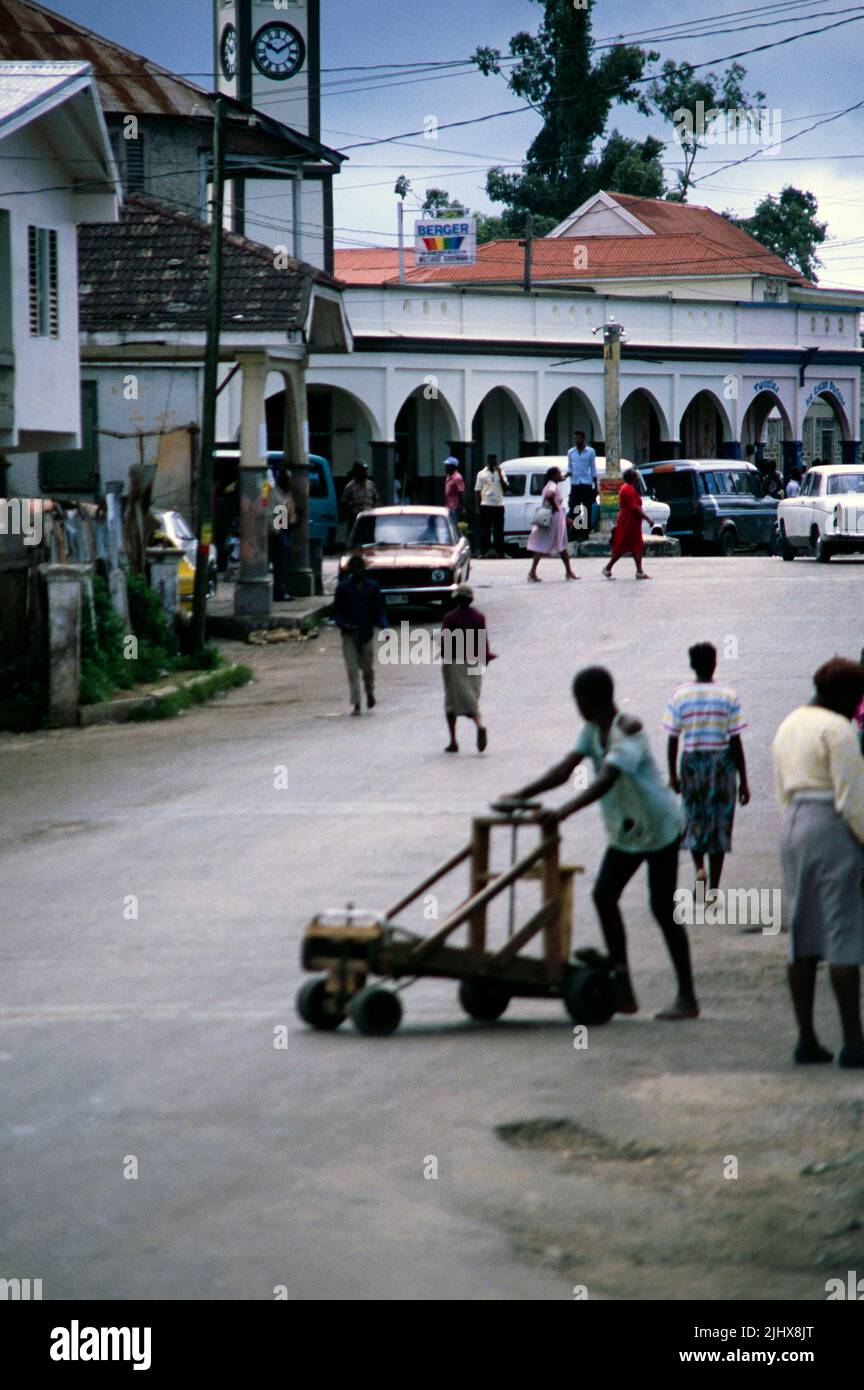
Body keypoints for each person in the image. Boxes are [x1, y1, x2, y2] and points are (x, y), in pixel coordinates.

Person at [503, 666, 698, 1021]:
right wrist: (520, 795)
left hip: (659, 827)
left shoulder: (629, 732)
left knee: (662, 908)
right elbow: (565, 769)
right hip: (627, 831)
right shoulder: (592, 729)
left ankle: (687, 996)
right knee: (604, 895)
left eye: (579, 700)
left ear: (594, 700)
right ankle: (622, 985)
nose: (577, 707)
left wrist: (563, 811)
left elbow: (607, 779)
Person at [772, 658, 864, 1067]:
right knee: (843, 931)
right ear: (844, 694)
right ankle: (853, 1042)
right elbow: (852, 801)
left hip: (792, 824)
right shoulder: (839, 729)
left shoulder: (789, 724)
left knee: (803, 933)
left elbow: (781, 790)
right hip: (830, 826)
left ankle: (806, 1039)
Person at [664, 642, 749, 895]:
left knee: (693, 816)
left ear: (692, 665)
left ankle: (698, 867)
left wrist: (672, 774)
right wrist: (743, 780)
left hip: (691, 762)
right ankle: (713, 888)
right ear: (715, 664)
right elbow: (735, 740)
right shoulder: (728, 695)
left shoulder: (679, 695)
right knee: (720, 819)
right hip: (722, 763)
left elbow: (672, 738)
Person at [333, 554, 389, 716]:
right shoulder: (342, 588)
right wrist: (343, 625)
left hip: (366, 633)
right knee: (352, 670)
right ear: (351, 570)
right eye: (355, 568)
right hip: (349, 634)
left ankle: (369, 691)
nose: (358, 571)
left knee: (368, 669)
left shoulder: (372, 587)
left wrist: (384, 628)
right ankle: (356, 703)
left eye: (360, 568)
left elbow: (379, 611)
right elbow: (336, 613)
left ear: (364, 569)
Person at [440, 584, 494, 753]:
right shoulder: (479, 617)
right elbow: (483, 640)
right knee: (471, 697)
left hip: (456, 661)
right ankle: (478, 725)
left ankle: (454, 741)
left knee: (451, 702)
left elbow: (445, 643)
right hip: (476, 660)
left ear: (456, 599)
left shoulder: (450, 618)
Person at [526, 466, 578, 582]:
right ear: (554, 475)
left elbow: (561, 479)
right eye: (559, 473)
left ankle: (533, 571)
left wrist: (567, 475)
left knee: (543, 544)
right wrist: (556, 508)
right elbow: (550, 496)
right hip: (554, 518)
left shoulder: (550, 484)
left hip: (552, 517)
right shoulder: (553, 486)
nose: (561, 475)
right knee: (561, 544)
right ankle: (568, 572)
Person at [601, 468, 651, 580]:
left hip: (631, 521)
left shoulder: (627, 488)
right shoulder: (628, 489)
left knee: (636, 546)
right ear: (633, 478)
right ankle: (608, 568)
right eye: (636, 476)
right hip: (629, 521)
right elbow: (635, 508)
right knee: (624, 546)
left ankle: (639, 571)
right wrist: (648, 518)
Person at [267, 467, 296, 602]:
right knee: (279, 564)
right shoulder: (274, 494)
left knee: (285, 564)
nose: (290, 482)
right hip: (278, 532)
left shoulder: (287, 494)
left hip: (286, 530)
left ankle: (284, 589)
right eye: (287, 479)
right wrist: (276, 531)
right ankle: (279, 591)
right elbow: (271, 515)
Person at [473, 457, 508, 557]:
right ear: (487, 462)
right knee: (485, 530)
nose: (493, 463)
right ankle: (483, 552)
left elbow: (505, 488)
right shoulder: (481, 473)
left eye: (494, 462)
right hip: (486, 504)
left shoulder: (501, 472)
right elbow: (477, 490)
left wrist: (500, 474)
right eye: (491, 462)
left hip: (498, 505)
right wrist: (477, 506)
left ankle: (500, 552)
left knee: (499, 530)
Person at [566, 430, 598, 536]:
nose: (577, 440)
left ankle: (585, 532)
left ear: (583, 439)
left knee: (586, 508)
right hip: (575, 483)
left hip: (586, 483)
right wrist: (564, 476)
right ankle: (575, 531)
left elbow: (593, 469)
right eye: (575, 438)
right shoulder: (571, 452)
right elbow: (570, 468)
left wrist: (596, 486)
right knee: (575, 508)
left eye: (579, 438)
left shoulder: (590, 451)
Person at [341, 462, 379, 537]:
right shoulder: (350, 487)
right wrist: (351, 513)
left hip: (369, 518)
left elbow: (376, 499)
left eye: (365, 470)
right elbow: (344, 503)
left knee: (369, 539)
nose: (365, 473)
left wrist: (374, 512)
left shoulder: (371, 484)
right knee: (356, 539)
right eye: (362, 470)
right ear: (357, 472)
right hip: (356, 519)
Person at [443, 457, 465, 526]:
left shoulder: (457, 477)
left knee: (454, 526)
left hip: (455, 508)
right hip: (448, 506)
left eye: (448, 466)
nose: (446, 468)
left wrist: (462, 508)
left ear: (453, 467)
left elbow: (461, 493)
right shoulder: (448, 477)